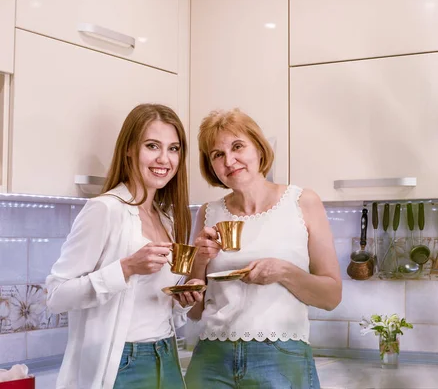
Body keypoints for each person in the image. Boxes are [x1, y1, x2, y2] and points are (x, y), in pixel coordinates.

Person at [46, 104, 204, 389]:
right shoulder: (104, 210)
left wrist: (182, 300)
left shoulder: (168, 219)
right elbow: (56, 295)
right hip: (123, 363)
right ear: (129, 149)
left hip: (166, 357)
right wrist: (127, 268)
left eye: (173, 148)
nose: (164, 159)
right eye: (152, 146)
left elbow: (158, 309)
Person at [184, 108, 342, 389]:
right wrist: (199, 261)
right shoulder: (208, 213)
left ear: (258, 147)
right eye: (217, 154)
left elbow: (331, 296)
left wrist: (283, 272)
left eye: (237, 146)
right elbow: (194, 312)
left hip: (281, 356)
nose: (229, 160)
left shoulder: (302, 202)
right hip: (211, 356)